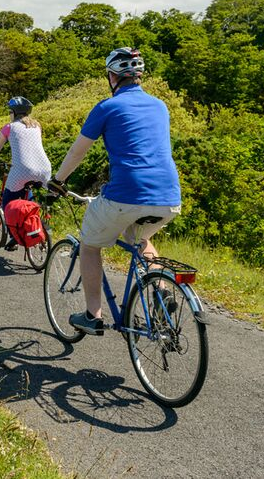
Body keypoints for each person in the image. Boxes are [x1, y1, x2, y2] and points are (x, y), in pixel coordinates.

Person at [47, 48, 182, 336]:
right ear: (138, 76)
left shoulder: (107, 107)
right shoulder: (160, 106)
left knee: (89, 244)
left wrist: (57, 181)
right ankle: (162, 291)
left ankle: (92, 315)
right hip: (169, 196)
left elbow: (77, 152)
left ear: (112, 77)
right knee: (139, 238)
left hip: (126, 193)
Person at [0, 96, 52, 247]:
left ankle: (15, 236)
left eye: (10, 112)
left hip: (22, 170)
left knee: (8, 203)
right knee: (29, 195)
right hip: (44, 168)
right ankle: (35, 221)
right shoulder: (37, 125)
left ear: (14, 112)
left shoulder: (9, 127)